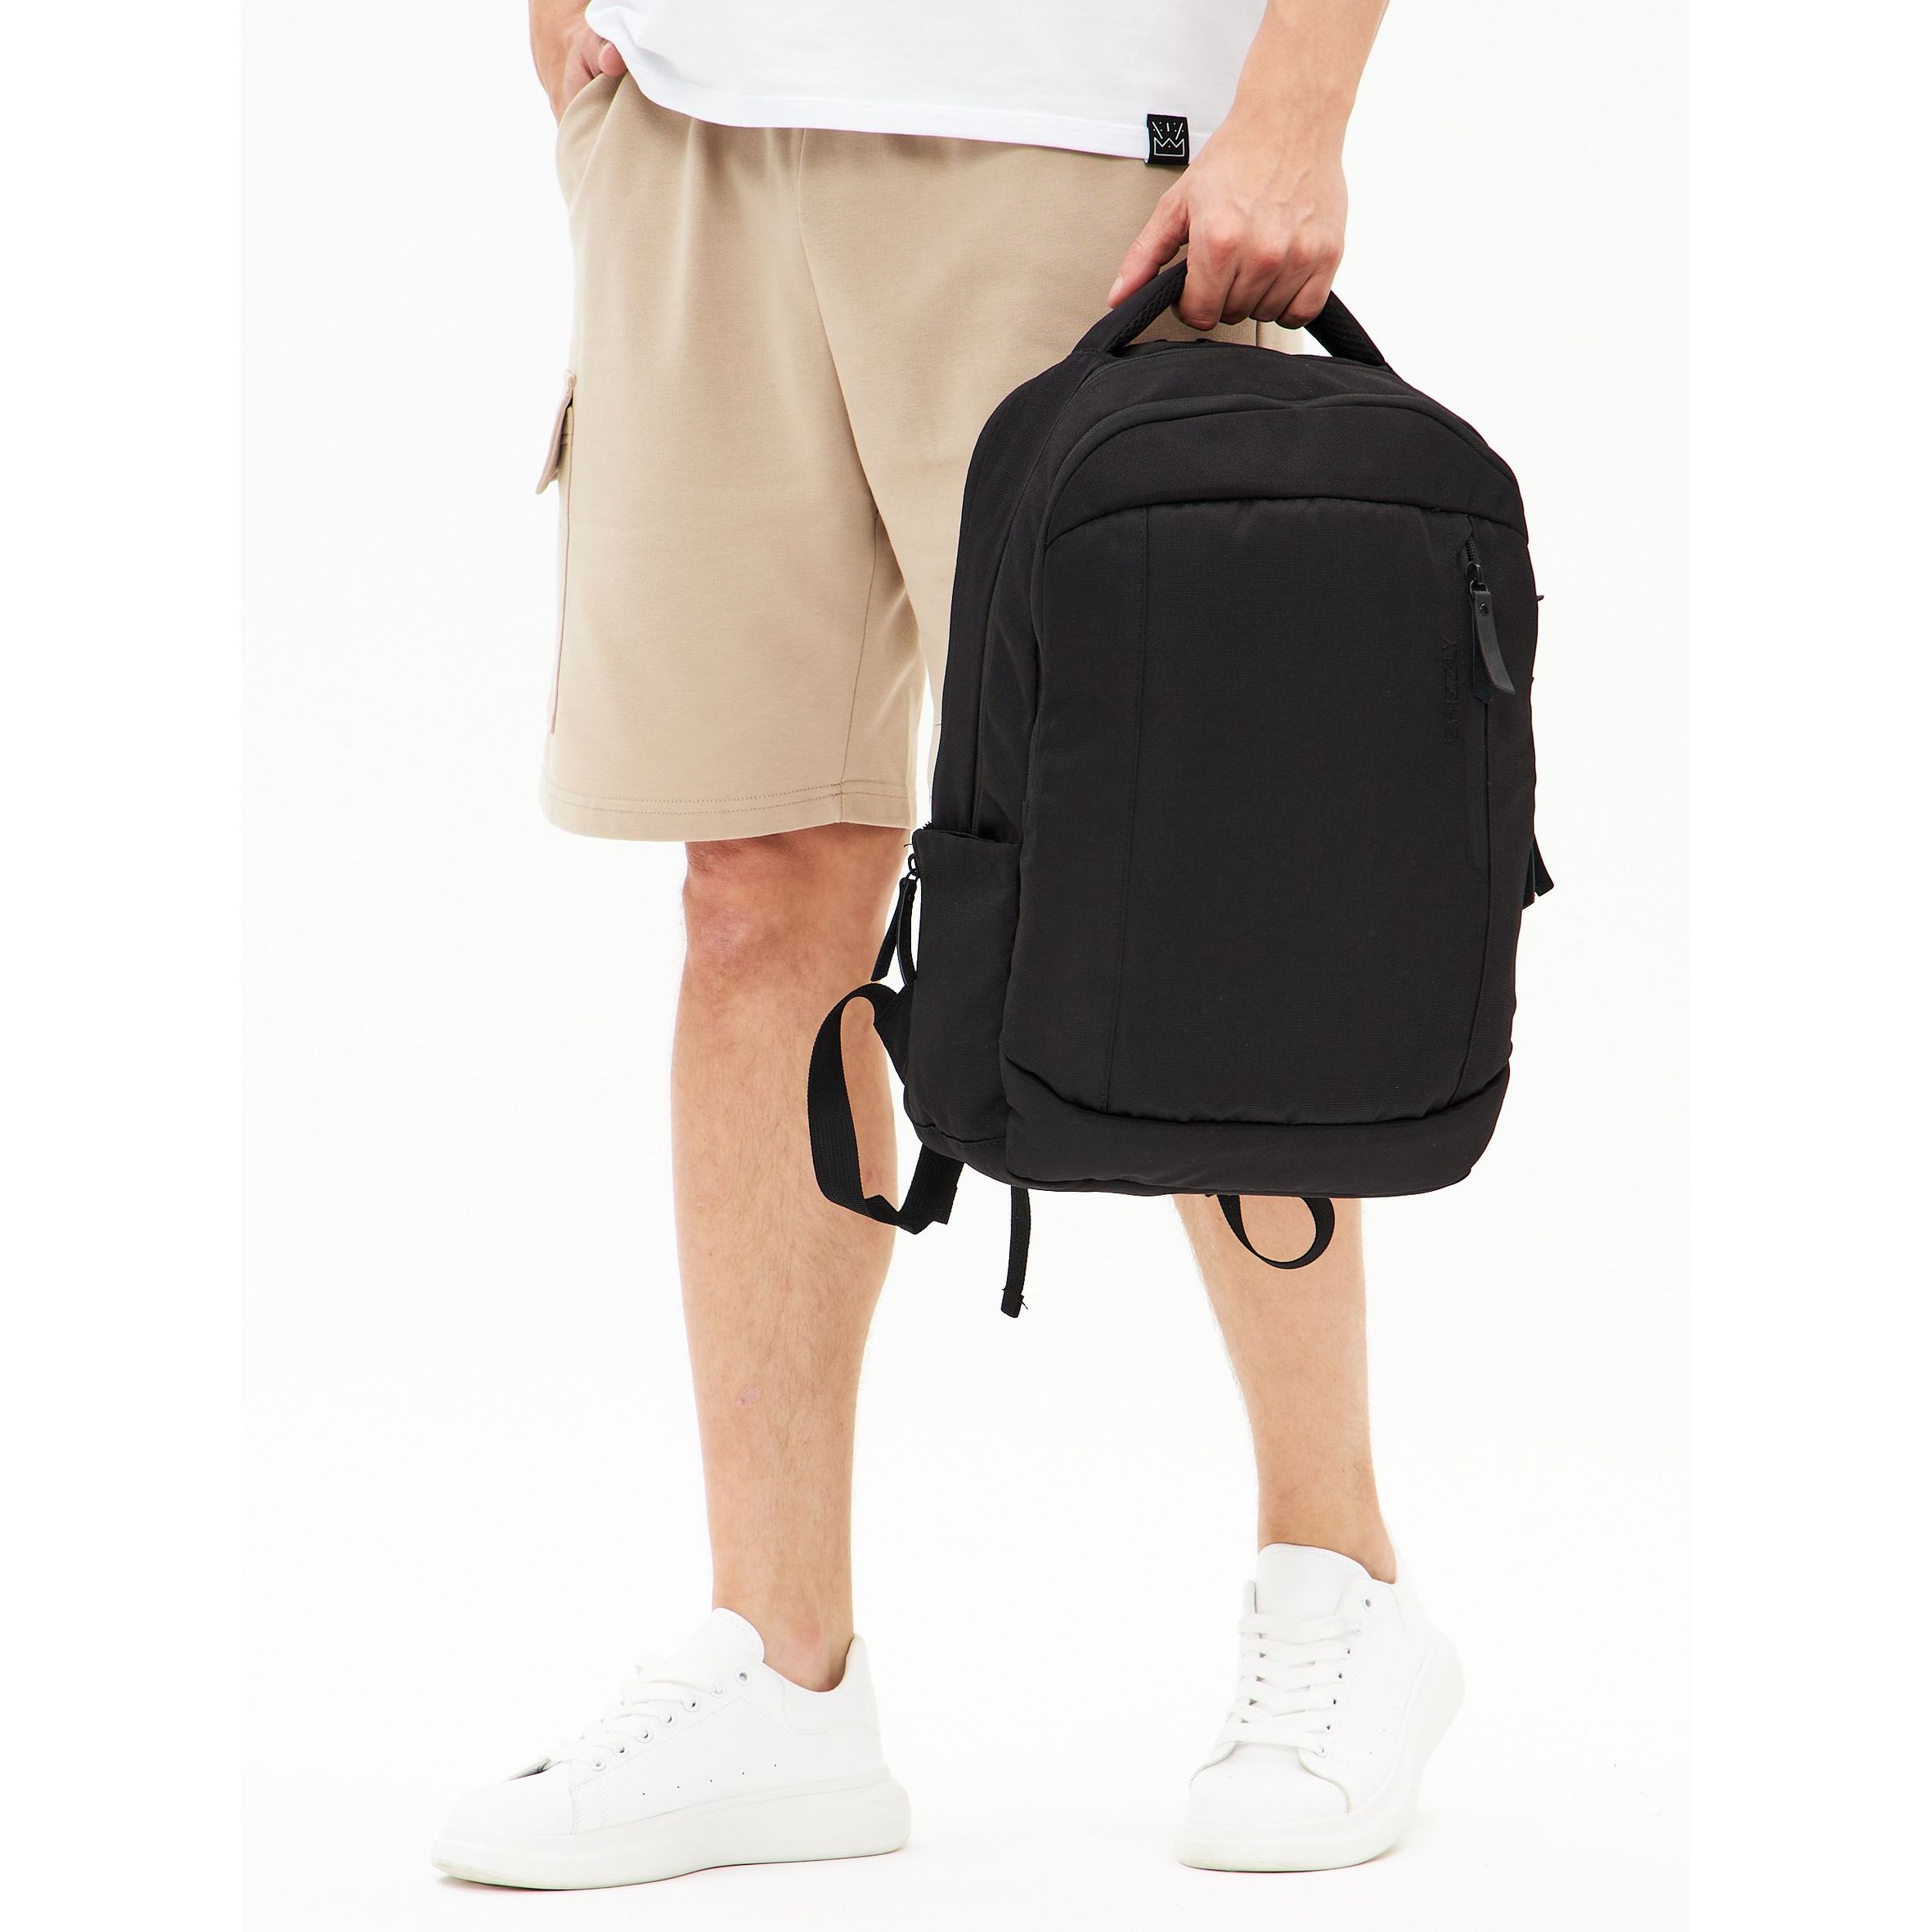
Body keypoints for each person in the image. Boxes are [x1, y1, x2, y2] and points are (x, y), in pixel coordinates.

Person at [434, 0, 1463, 1890]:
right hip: (695, 122)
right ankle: (782, 1666)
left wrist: (1298, 98)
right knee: (750, 880)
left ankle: (1340, 1577)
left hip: (1076, 139)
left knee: (1183, 885)